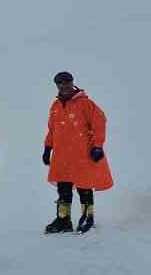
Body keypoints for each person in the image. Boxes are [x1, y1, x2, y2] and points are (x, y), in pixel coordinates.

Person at [42, 71, 112, 233]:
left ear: (72, 83)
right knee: (63, 188)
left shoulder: (86, 104)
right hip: (62, 156)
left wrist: (97, 146)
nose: (63, 85)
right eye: (60, 83)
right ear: (56, 85)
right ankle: (63, 220)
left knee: (84, 187)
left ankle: (88, 218)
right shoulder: (55, 106)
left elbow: (99, 124)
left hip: (82, 154)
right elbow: (52, 130)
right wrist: (47, 148)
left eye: (66, 82)